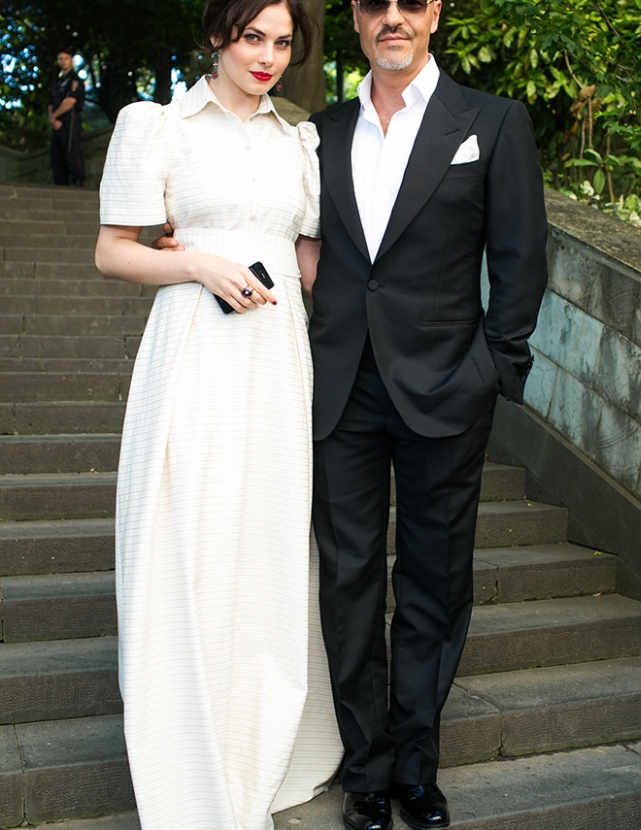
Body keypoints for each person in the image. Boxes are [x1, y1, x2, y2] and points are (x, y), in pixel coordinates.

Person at [93, 1, 343, 828]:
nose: (267, 56)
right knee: (189, 531)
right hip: (195, 347)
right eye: (251, 38)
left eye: (283, 42)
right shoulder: (158, 125)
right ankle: (185, 745)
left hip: (278, 356)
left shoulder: (299, 144)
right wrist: (198, 262)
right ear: (216, 37)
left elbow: (312, 262)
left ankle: (255, 735)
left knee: (268, 537)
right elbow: (112, 250)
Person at [307, 2, 548, 829]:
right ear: (355, 17)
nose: (393, 18)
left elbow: (520, 256)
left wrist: (493, 367)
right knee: (347, 580)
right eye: (376, 4)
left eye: (410, 2)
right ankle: (366, 768)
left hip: (448, 386)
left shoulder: (492, 123)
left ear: (435, 13)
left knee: (435, 580)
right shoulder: (320, 131)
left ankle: (415, 764)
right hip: (340, 386)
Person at [48, 47, 85, 186]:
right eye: (60, 59)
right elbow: (51, 103)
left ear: (71, 60)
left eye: (66, 58)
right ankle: (60, 182)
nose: (63, 61)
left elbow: (70, 101)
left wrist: (54, 116)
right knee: (57, 154)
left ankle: (77, 179)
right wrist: (52, 119)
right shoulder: (58, 83)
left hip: (70, 119)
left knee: (71, 149)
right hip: (56, 122)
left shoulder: (75, 80)